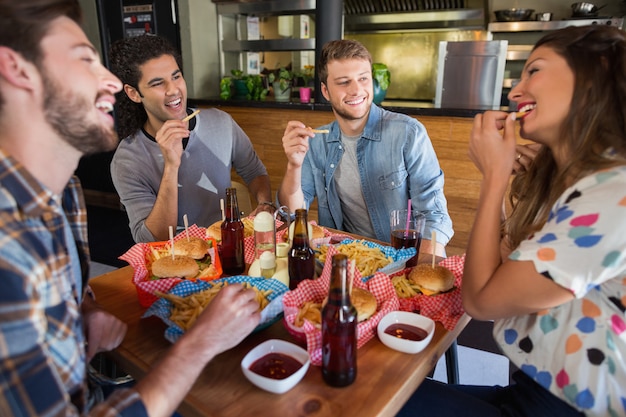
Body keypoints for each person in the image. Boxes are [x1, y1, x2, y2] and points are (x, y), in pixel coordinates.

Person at [0, 1, 261, 415]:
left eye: (175, 75)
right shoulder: (8, 246)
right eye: (85, 59)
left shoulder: (63, 194)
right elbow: (151, 238)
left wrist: (83, 309)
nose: (107, 80)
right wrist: (201, 342)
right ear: (16, 69)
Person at [398, 24, 626, 417]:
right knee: (388, 390)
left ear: (597, 72)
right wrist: (506, 186)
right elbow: (504, 260)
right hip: (533, 388)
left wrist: (493, 177)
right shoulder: (584, 183)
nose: (515, 93)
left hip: (569, 408)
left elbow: (482, 300)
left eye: (534, 70)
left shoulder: (613, 196)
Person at [277, 39, 453, 257]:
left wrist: (419, 270)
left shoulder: (408, 133)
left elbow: (433, 215)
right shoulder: (317, 142)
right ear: (325, 91)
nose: (357, 90)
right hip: (343, 258)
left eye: (363, 79)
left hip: (401, 258)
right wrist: (294, 165)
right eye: (343, 82)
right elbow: (294, 213)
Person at [108, 34, 271, 242]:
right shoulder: (127, 160)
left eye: (176, 77)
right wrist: (171, 167)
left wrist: (265, 203)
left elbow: (254, 171)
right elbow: (150, 240)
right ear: (133, 93)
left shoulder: (221, 122)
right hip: (177, 260)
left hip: (231, 249)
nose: (173, 90)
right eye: (158, 83)